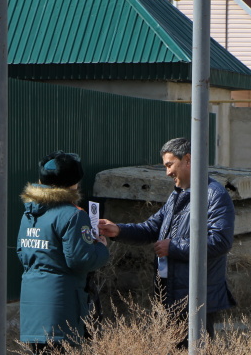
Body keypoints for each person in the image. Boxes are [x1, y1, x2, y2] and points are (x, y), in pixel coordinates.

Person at [98, 137, 235, 343]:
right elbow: (152, 228)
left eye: (170, 165)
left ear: (188, 160)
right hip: (169, 293)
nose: (168, 172)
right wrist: (118, 230)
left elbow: (220, 241)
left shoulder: (215, 195)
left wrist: (174, 247)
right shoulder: (177, 195)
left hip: (194, 297)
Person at [17, 151, 109, 355]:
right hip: (60, 302)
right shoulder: (73, 215)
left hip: (32, 299)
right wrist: (101, 248)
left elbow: (22, 254)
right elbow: (80, 259)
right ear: (75, 182)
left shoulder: (30, 212)